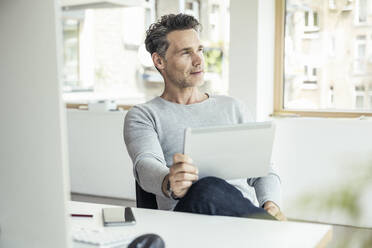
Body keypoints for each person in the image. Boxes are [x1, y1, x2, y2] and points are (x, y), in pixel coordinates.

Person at [124, 13, 286, 221]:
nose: (199, 60)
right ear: (159, 61)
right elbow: (145, 165)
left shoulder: (233, 107)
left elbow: (264, 170)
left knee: (215, 189)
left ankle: (263, 222)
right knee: (207, 187)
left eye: (199, 49)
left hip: (239, 220)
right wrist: (169, 181)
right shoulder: (144, 115)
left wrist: (270, 203)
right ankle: (266, 227)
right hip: (188, 221)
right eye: (185, 52)